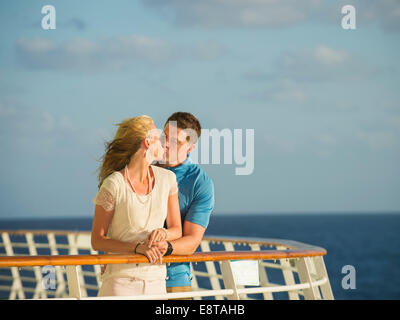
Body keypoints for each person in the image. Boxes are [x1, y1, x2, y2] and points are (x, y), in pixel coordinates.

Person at [91, 115, 182, 297]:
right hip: (120, 284)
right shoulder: (114, 184)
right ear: (147, 142)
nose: (164, 143)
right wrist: (136, 248)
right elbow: (97, 240)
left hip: (157, 282)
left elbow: (176, 229)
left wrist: (164, 233)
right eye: (158, 137)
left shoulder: (168, 180)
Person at [153, 112, 215, 297]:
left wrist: (163, 247)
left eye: (176, 142)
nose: (165, 144)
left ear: (190, 147)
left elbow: (191, 242)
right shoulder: (142, 166)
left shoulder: (200, 183)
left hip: (172, 280)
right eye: (164, 136)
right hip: (130, 274)